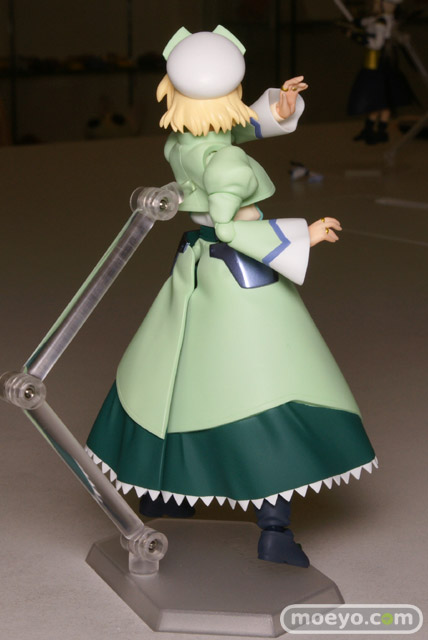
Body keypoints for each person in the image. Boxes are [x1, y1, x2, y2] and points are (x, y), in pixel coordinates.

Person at [86, 26, 376, 568]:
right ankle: (274, 529)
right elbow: (228, 225)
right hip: (238, 273)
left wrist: (278, 110)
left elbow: (232, 129)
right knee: (266, 387)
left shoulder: (181, 143)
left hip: (195, 266)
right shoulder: (229, 165)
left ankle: (165, 495)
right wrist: (301, 235)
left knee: (175, 377)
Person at [347, 0, 413, 144]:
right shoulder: (381, 20)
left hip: (379, 63)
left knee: (379, 99)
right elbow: (366, 22)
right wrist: (356, 23)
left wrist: (358, 38)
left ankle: (378, 131)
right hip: (379, 62)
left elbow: (377, 45)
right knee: (379, 100)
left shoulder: (381, 23)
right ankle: (370, 129)